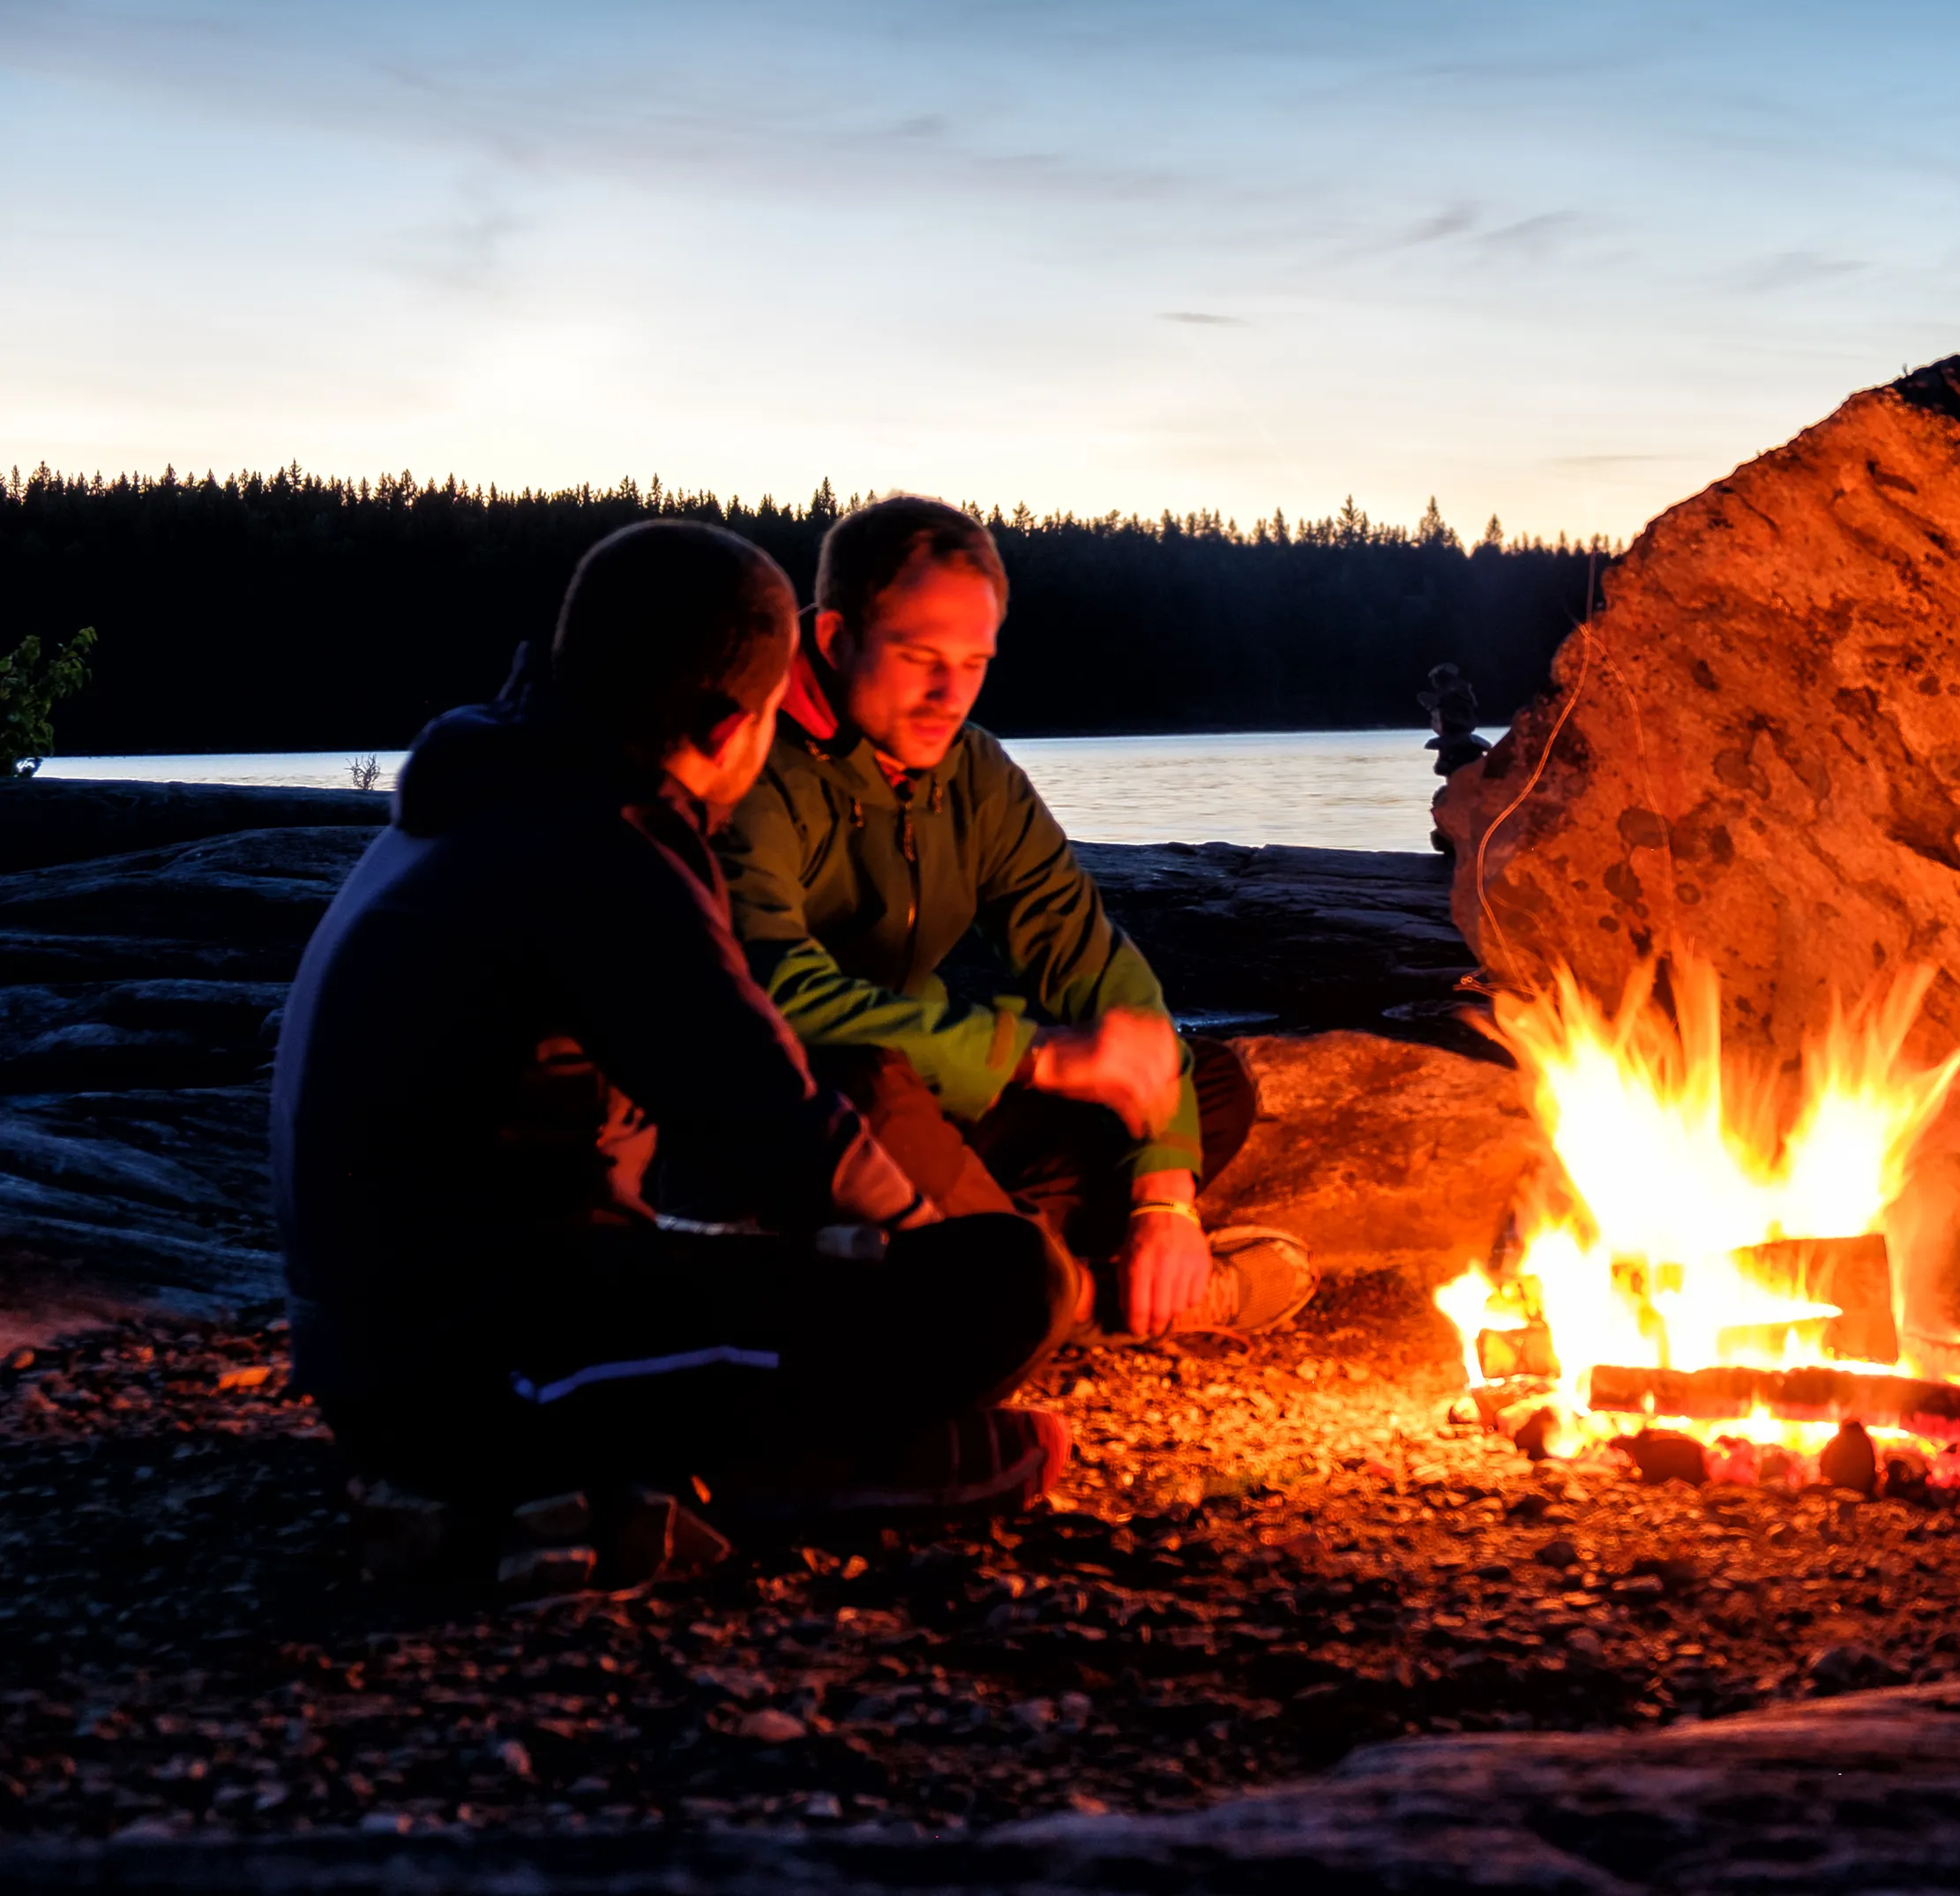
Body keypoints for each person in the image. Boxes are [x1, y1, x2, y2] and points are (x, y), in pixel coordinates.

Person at [271, 521, 1074, 1591]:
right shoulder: (597, 842)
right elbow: (768, 1109)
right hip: (467, 1371)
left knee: (859, 1274)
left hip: (395, 1338)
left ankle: (677, 1453)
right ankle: (785, 1481)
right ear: (729, 719)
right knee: (1009, 1285)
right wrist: (922, 1257)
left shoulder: (495, 794)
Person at [716, 496, 1308, 1344]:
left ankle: (980, 1267)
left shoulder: (973, 774)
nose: (948, 694)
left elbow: (1093, 961)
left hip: (930, 1110)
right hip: (780, 1118)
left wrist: (1165, 1194)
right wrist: (1030, 1055)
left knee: (1197, 1080)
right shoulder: (749, 758)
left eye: (974, 662)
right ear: (836, 638)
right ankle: (1061, 1299)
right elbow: (770, 992)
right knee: (869, 1087)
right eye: (919, 656)